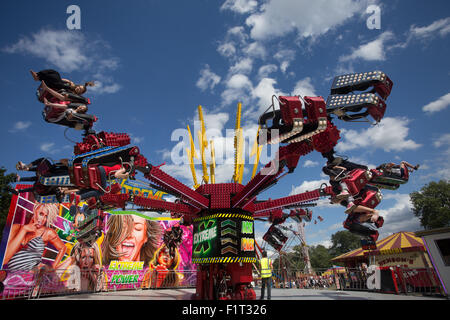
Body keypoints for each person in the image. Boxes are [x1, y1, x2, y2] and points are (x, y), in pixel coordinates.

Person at [3, 203, 67, 271]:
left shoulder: (47, 233)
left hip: (31, 275)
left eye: (46, 217)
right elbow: (5, 259)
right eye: (41, 214)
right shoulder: (16, 228)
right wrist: (24, 230)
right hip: (11, 275)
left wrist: (53, 267)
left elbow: (63, 248)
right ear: (34, 211)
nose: (43, 220)